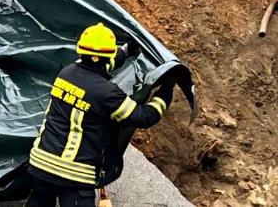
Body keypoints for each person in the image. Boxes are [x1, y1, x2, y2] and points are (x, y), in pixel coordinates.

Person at [27, 23, 177, 206]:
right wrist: (166, 91)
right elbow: (145, 117)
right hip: (73, 174)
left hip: (40, 164)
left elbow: (98, 64)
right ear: (107, 56)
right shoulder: (107, 93)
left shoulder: (66, 73)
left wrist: (128, 49)